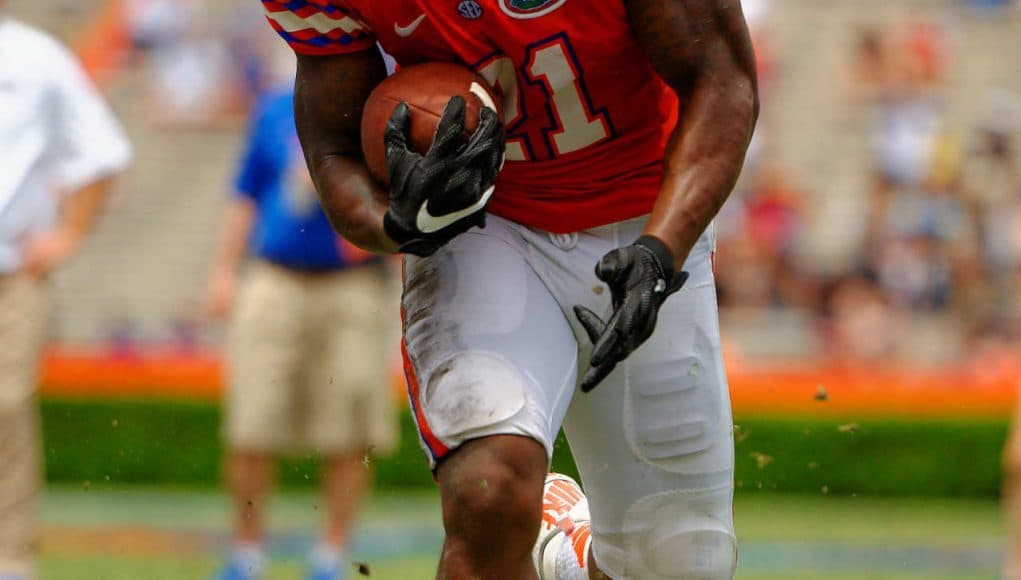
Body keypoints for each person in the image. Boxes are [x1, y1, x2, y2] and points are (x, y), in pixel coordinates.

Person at [261, 1, 758, 578]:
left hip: (644, 212)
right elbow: (334, 148)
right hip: (487, 223)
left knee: (680, 555)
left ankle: (572, 561)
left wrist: (661, 249)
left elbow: (722, 80)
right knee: (488, 489)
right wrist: (396, 222)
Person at [205, 82, 399, 580]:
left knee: (349, 429)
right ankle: (246, 555)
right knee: (251, 423)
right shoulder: (271, 107)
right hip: (274, 277)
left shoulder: (379, 102)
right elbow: (246, 189)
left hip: (353, 283)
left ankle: (330, 556)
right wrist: (224, 270)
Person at [0, 7, 132, 579]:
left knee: (3, 408)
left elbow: (102, 150)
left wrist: (69, 235)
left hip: (10, 274)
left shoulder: (35, 57)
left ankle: (10, 556)